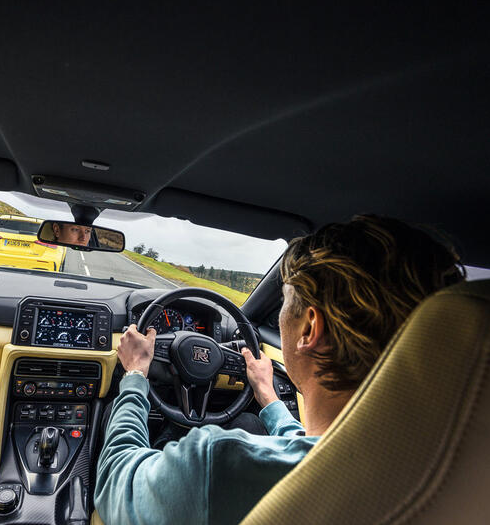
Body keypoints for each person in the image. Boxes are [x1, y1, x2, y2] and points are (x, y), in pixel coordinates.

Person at [94, 215, 464, 525]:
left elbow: (115, 484)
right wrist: (269, 397)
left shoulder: (219, 466)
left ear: (310, 329)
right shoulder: (457, 470)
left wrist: (135, 375)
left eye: (284, 303)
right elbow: (311, 448)